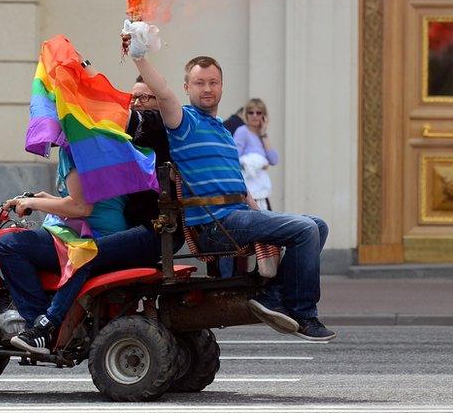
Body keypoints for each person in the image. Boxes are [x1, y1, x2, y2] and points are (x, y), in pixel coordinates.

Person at [124, 21, 335, 341]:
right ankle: (304, 313)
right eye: (199, 83)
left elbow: (240, 187)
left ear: (222, 86)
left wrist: (259, 211)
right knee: (304, 229)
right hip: (214, 225)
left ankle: (274, 295)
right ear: (188, 88)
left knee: (317, 224)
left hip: (238, 216)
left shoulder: (223, 130)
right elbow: (163, 92)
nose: (207, 88)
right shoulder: (182, 120)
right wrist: (139, 56)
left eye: (213, 82)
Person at [0, 149, 161, 355]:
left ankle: (39, 326)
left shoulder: (74, 150)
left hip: (88, 235)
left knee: (8, 245)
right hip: (112, 231)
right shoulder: (106, 145)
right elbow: (90, 198)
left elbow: (81, 207)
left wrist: (32, 203)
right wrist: (41, 198)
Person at [215, 98, 280, 278]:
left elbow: (274, 159)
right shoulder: (242, 131)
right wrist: (254, 163)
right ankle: (228, 277)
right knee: (237, 237)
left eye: (258, 113)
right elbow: (234, 156)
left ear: (263, 116)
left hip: (261, 192)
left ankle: (262, 275)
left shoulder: (260, 135)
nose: (254, 116)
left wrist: (265, 133)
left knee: (263, 236)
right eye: (250, 112)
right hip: (246, 191)